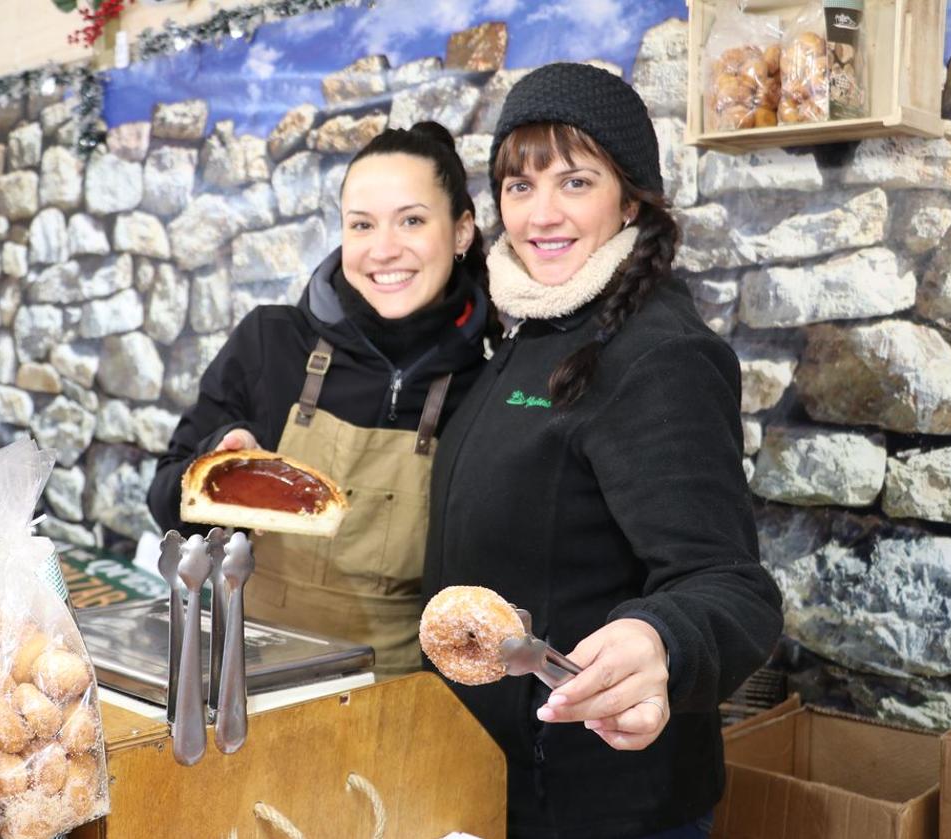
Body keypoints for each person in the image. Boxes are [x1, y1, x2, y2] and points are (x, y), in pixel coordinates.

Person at [421, 64, 784, 838]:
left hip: (603, 804)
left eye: (575, 181)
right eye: (519, 186)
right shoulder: (525, 328)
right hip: (487, 780)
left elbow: (732, 586)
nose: (541, 214)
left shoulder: (659, 355)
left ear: (630, 198)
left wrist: (662, 639)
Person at [149, 121, 494, 675]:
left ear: (460, 233)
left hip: (397, 699)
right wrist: (214, 471)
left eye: (411, 220)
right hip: (247, 677)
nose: (384, 249)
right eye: (362, 225)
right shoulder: (271, 343)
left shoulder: (487, 385)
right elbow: (165, 501)